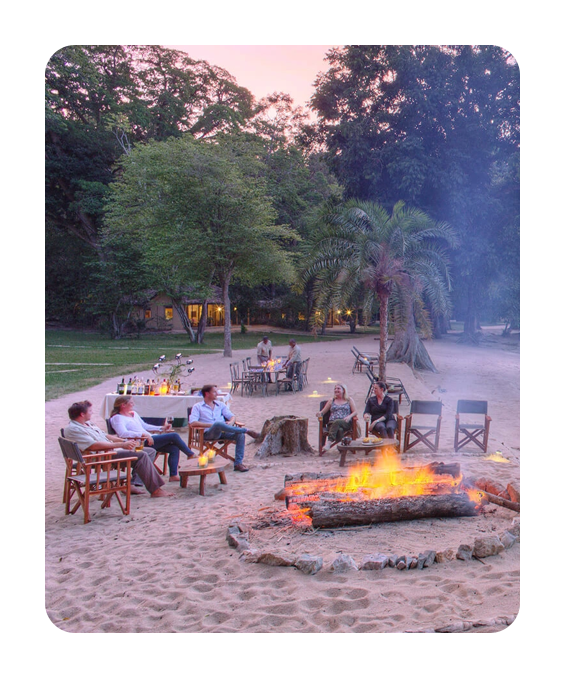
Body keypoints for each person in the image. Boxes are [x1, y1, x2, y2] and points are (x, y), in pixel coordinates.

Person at [64, 401, 172, 497]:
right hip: (101, 456)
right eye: (90, 411)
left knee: (149, 451)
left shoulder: (88, 424)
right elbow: (93, 446)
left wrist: (123, 441)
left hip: (111, 451)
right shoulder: (74, 429)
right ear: (82, 414)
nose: (92, 413)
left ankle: (133, 483)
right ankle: (155, 490)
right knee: (141, 455)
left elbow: (105, 435)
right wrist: (120, 445)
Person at [109, 396, 195, 482]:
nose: (133, 404)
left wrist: (161, 428)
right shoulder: (117, 418)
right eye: (131, 403)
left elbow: (145, 426)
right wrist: (142, 434)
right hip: (139, 442)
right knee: (174, 436)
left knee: (174, 448)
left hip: (149, 439)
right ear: (123, 405)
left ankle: (173, 475)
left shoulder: (133, 414)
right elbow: (122, 433)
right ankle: (190, 455)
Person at [189, 384, 260, 472]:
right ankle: (246, 430)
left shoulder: (220, 405)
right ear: (207, 394)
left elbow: (232, 417)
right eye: (214, 392)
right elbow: (193, 423)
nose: (217, 394)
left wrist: (230, 423)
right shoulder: (198, 406)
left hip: (223, 432)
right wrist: (211, 425)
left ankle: (238, 464)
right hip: (208, 434)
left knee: (240, 435)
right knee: (218, 424)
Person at [316, 383, 358, 453]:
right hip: (332, 423)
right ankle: (342, 449)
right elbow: (323, 411)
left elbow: (355, 412)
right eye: (335, 389)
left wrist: (349, 416)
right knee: (340, 430)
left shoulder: (349, 400)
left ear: (343, 390)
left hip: (345, 422)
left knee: (338, 421)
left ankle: (329, 442)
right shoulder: (331, 400)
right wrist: (319, 414)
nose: (336, 390)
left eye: (338, 388)